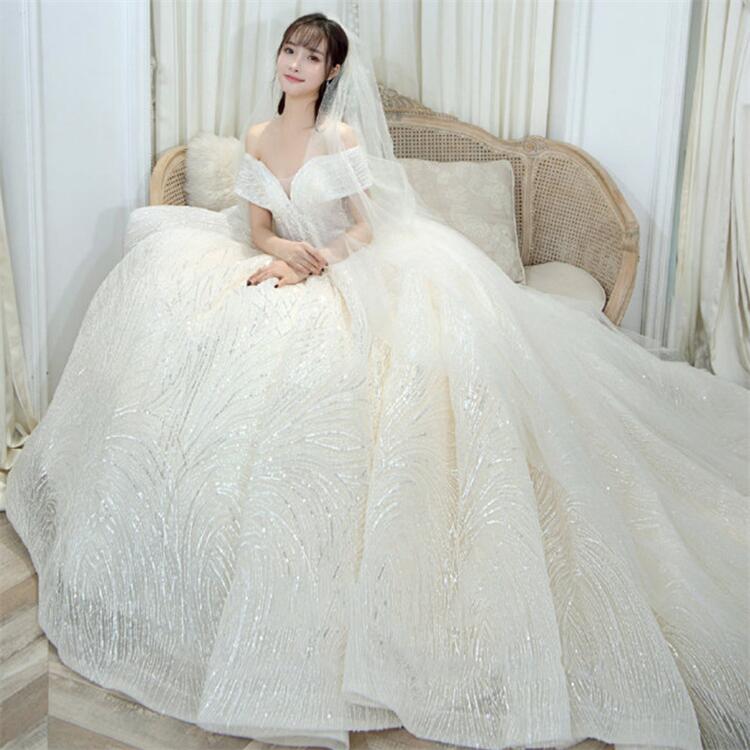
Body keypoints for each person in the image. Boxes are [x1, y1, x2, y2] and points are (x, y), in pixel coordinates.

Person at [5, 11, 749, 750]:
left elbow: (363, 228)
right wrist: (281, 257)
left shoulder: (341, 137)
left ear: (332, 71)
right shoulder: (258, 137)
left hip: (349, 269)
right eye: (289, 50)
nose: (294, 64)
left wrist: (319, 262)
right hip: (282, 263)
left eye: (311, 56)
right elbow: (258, 228)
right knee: (187, 315)